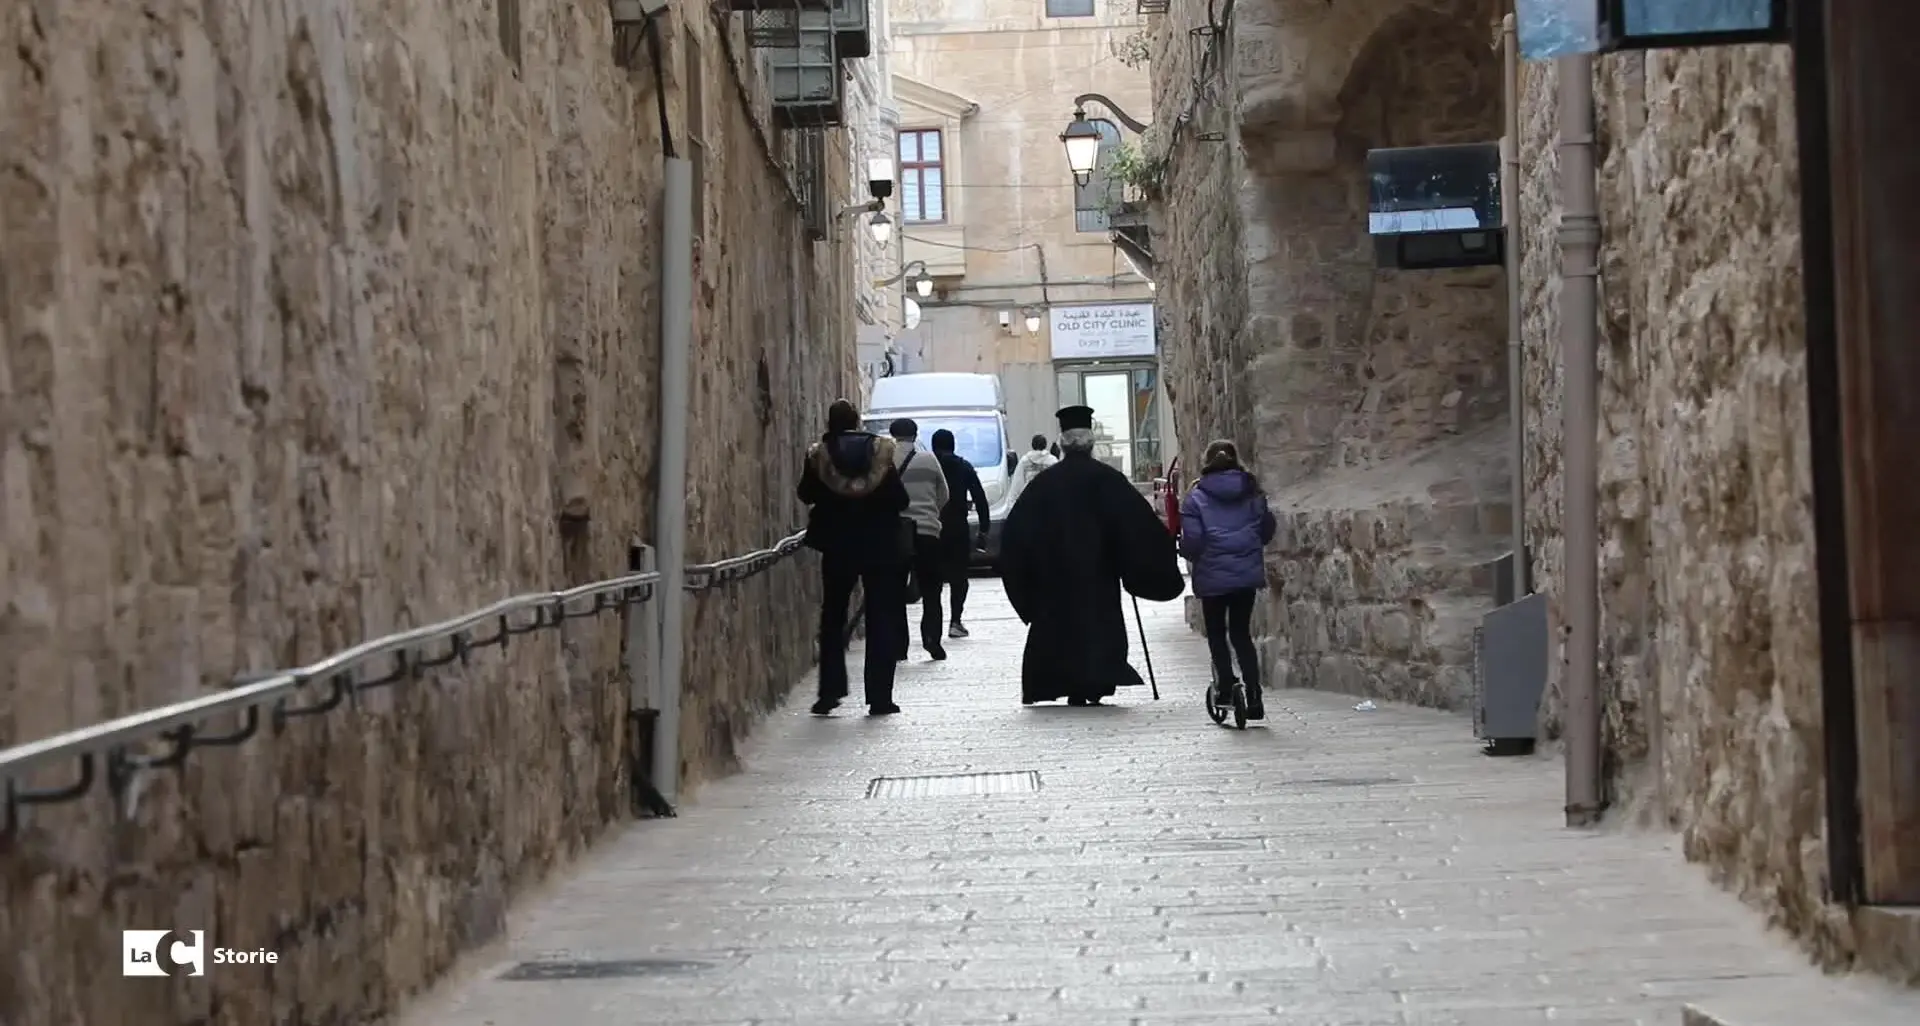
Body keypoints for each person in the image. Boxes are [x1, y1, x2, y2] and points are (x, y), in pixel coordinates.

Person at [998, 405, 1186, 706]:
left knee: (1057, 629)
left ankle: (1061, 682)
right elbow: (1139, 526)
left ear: (1063, 441)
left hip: (1053, 580)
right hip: (1099, 577)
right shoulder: (1109, 480)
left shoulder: (1044, 485)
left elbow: (1016, 535)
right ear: (1091, 442)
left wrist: (1027, 579)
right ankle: (1094, 684)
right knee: (1098, 627)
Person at [798, 399, 910, 716]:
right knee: (881, 616)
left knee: (832, 615)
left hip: (837, 546)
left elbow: (805, 493)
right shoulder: (881, 452)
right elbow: (900, 499)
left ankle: (830, 692)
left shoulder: (818, 454)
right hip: (880, 545)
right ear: (857, 421)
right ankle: (879, 696)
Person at [1178, 439, 1277, 721]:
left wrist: (1184, 550)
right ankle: (1255, 694)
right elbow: (1266, 529)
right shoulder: (1253, 491)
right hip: (1245, 573)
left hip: (1212, 575)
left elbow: (1193, 540)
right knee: (1241, 633)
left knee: (1217, 633)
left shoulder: (1196, 497)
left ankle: (1225, 686)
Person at [889, 418, 951, 660]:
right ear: (915, 435)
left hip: (896, 533)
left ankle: (899, 645)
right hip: (927, 531)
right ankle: (931, 639)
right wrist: (930, 512)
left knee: (894, 591)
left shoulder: (885, 461)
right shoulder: (929, 459)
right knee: (932, 590)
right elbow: (943, 494)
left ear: (893, 435)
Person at [930, 428, 991, 638]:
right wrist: (984, 528)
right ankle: (955, 621)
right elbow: (980, 498)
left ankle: (932, 625)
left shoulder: (929, 466)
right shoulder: (964, 466)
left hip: (932, 527)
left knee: (933, 577)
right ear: (953, 445)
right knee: (959, 576)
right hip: (957, 527)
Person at [1003, 433, 1058, 510]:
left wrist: (1012, 504)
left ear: (1032, 445)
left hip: (1030, 501)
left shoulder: (1025, 461)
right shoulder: (1053, 461)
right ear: (1045, 445)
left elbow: (1017, 482)